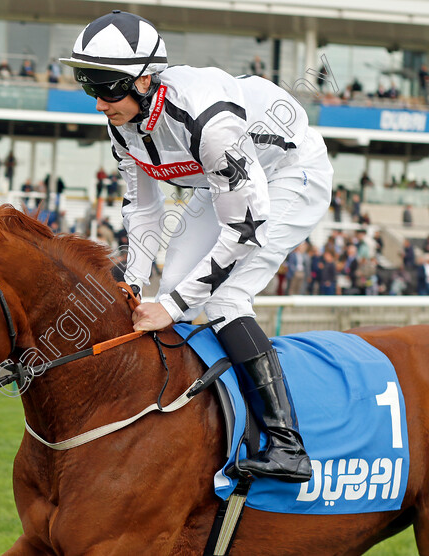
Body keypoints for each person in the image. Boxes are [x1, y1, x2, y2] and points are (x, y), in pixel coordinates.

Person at [61, 10, 333, 482]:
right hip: (219, 183)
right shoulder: (123, 120)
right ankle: (182, 423)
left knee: (221, 298)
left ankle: (288, 445)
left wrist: (172, 304)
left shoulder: (209, 120)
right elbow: (143, 211)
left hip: (291, 175)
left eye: (106, 88)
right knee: (172, 294)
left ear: (145, 81)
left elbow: (246, 227)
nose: (100, 104)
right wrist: (132, 282)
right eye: (90, 87)